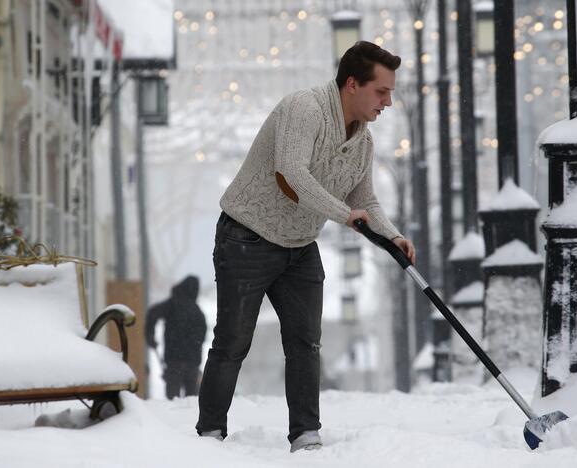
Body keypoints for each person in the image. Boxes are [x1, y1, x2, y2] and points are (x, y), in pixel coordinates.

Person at [195, 41, 415, 452]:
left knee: (304, 343)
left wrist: (393, 236)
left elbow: (363, 201)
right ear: (353, 84)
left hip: (299, 245)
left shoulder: (363, 142)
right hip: (248, 236)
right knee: (232, 342)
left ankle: (305, 434)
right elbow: (290, 174)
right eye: (381, 91)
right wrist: (343, 214)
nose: (388, 101)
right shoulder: (304, 109)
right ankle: (209, 435)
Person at [146, 275, 207, 399]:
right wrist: (194, 347)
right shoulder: (197, 311)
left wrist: (150, 336)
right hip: (192, 363)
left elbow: (153, 313)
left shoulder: (172, 304)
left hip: (174, 361)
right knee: (192, 403)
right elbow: (202, 334)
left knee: (172, 401)